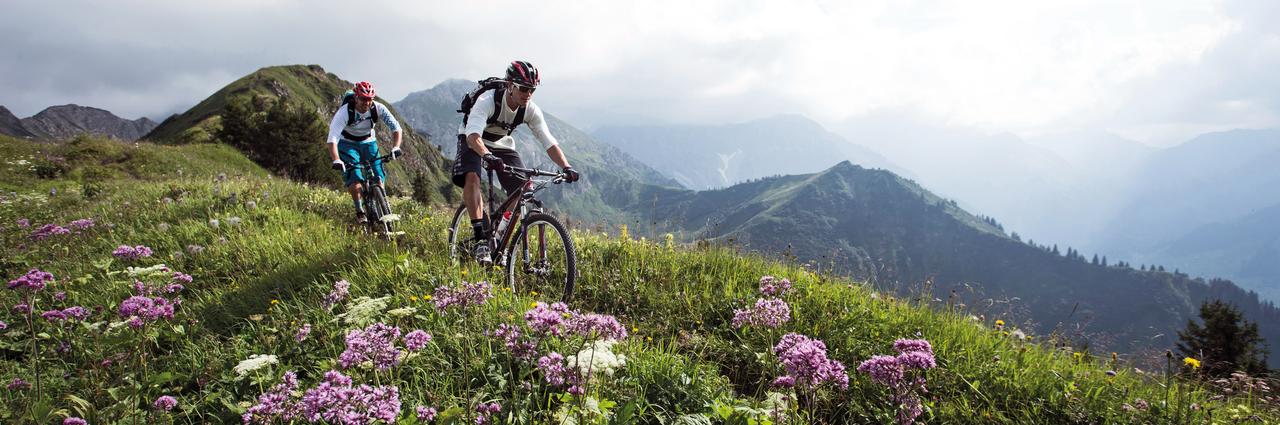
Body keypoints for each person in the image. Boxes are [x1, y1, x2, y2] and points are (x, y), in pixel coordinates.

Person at [453, 60, 580, 263]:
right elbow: (472, 135)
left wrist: (566, 166)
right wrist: (486, 155)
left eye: (532, 89)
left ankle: (499, 234)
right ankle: (480, 240)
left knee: (523, 188)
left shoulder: (530, 110)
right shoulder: (487, 100)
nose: (528, 93)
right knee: (472, 177)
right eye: (523, 88)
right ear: (510, 85)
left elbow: (548, 141)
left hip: (501, 144)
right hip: (472, 138)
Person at [326, 81, 403, 224]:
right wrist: (336, 159)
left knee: (379, 176)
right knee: (355, 181)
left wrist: (395, 147)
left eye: (370, 100)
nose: (366, 103)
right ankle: (360, 211)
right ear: (356, 97)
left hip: (368, 141)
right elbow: (332, 139)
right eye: (363, 99)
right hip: (347, 143)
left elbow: (396, 128)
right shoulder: (344, 112)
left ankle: (383, 206)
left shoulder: (378, 108)